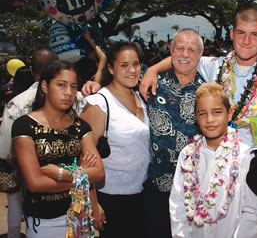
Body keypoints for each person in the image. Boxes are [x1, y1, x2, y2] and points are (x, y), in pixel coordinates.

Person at [140, 7, 257, 238]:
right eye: (241, 32)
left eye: (254, 34)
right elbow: (184, 57)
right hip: (215, 175)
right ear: (231, 33)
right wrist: (152, 70)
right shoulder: (214, 66)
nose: (246, 40)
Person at [11, 60, 105, 238]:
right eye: (61, 85)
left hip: (81, 216)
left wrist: (59, 173)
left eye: (73, 86)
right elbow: (35, 183)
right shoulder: (24, 126)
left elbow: (99, 173)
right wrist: (81, 175)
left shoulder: (80, 127)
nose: (69, 93)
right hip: (44, 221)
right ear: (45, 86)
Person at [169, 83, 257, 238]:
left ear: (229, 114)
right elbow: (178, 205)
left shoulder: (245, 157)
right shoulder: (187, 155)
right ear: (195, 117)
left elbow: (253, 213)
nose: (210, 119)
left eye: (217, 112)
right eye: (202, 113)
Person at [80, 42, 150, 237]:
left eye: (136, 64)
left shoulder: (142, 96)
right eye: (124, 65)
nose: (132, 70)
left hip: (142, 195)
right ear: (110, 68)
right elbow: (84, 159)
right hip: (111, 198)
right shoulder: (98, 103)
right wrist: (93, 204)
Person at [144, 28, 205, 238]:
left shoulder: (209, 91)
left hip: (195, 192)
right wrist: (95, 83)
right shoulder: (150, 84)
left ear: (200, 54)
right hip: (156, 188)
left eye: (191, 49)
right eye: (180, 48)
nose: (185, 54)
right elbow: (118, 80)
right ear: (171, 50)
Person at [0, 49, 61, 238]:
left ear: (32, 69)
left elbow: (5, 147)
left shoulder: (16, 103)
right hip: (63, 171)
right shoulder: (73, 99)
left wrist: (14, 163)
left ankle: (13, 235)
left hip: (23, 167)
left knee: (15, 200)